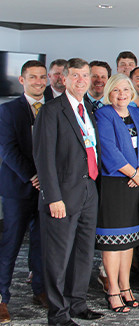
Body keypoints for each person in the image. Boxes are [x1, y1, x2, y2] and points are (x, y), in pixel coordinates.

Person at [33, 58, 104, 324]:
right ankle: (58, 313)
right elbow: (43, 157)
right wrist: (53, 197)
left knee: (84, 253)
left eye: (85, 76)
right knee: (58, 257)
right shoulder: (51, 111)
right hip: (62, 195)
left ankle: (77, 304)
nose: (81, 80)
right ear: (64, 78)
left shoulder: (88, 108)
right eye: (75, 75)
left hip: (88, 190)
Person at [94, 73, 139, 312]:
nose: (121, 95)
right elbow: (108, 150)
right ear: (109, 92)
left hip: (135, 182)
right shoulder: (103, 114)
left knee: (129, 242)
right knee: (112, 242)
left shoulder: (137, 112)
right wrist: (134, 173)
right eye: (116, 91)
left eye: (125, 91)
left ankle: (126, 286)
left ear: (131, 93)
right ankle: (113, 290)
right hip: (115, 184)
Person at [0, 61, 48, 323]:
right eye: (33, 77)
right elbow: (7, 151)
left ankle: (39, 290)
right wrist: (33, 176)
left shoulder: (52, 109)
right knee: (10, 245)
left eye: (42, 77)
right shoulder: (8, 111)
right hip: (18, 189)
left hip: (46, 191)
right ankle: (1, 299)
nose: (39, 81)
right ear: (22, 80)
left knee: (41, 244)